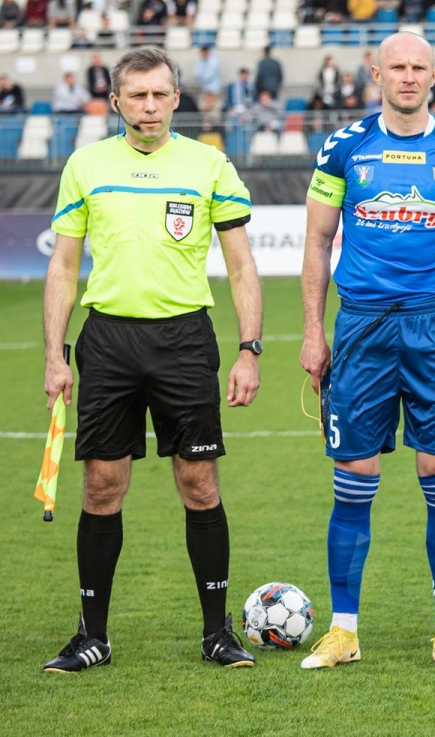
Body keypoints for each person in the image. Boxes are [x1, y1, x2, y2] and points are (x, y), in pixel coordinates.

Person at [41, 47, 262, 673]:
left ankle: (217, 633)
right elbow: (63, 267)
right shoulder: (86, 165)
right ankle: (92, 636)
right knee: (101, 485)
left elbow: (241, 266)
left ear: (176, 98)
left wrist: (249, 349)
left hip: (184, 341)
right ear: (116, 102)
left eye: (160, 94)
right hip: (108, 340)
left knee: (199, 482)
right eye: (136, 96)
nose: (149, 107)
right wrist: (56, 355)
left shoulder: (209, 164)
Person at [299, 32, 435, 670]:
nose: (408, 77)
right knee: (354, 476)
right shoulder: (343, 147)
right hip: (361, 327)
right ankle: (343, 630)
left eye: (419, 67)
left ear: (433, 75)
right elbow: (317, 241)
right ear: (376, 73)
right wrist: (313, 331)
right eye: (398, 67)